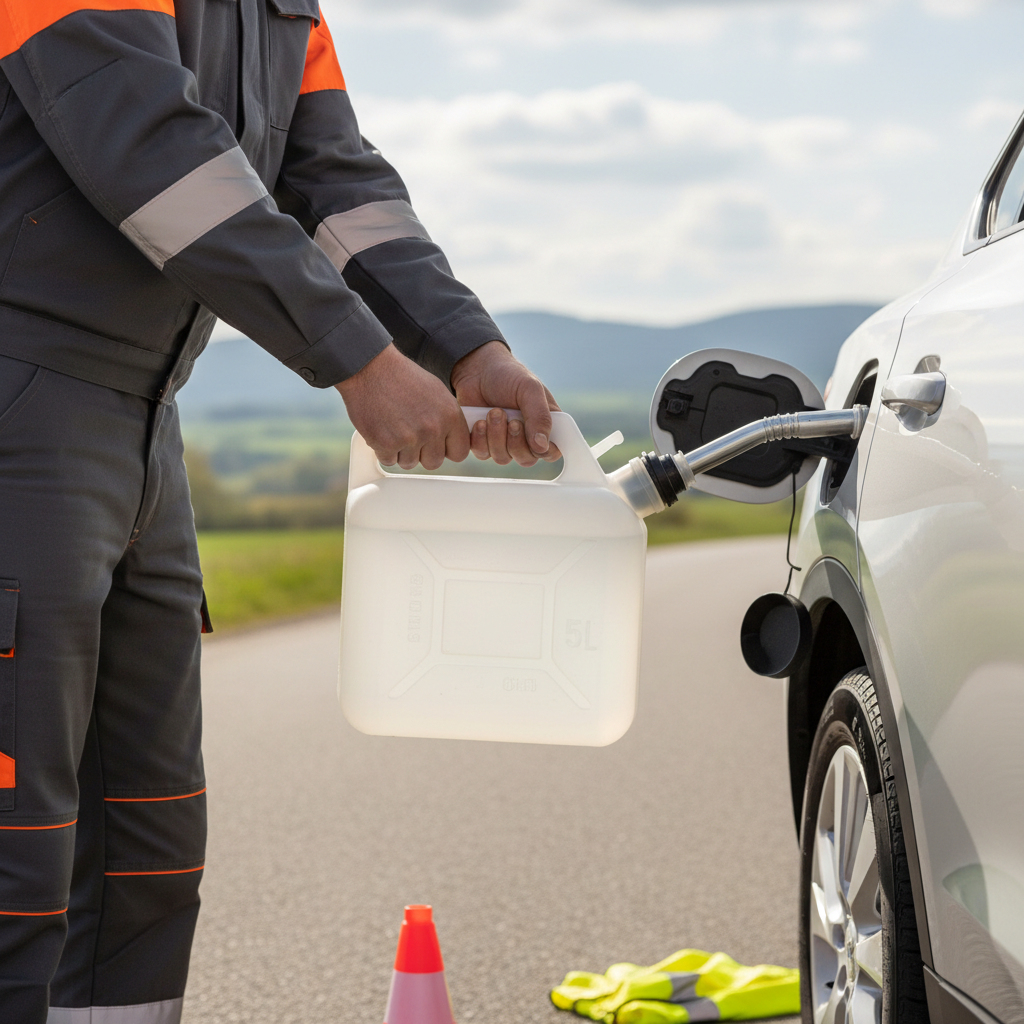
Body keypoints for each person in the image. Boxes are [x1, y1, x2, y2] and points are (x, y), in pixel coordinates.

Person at [0, 2, 557, 1020]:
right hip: (23, 406)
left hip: (141, 418)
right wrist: (355, 358)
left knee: (145, 845)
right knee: (14, 860)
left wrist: (465, 345)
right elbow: (155, 161)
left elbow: (335, 184)